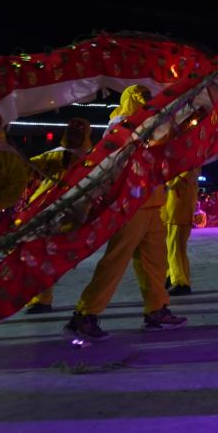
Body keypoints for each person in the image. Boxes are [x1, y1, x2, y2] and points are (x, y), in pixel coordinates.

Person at [64, 86, 186, 341]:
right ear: (131, 101)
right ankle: (85, 315)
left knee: (155, 263)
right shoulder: (122, 128)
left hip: (152, 202)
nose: (146, 101)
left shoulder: (146, 125)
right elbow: (153, 135)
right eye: (140, 98)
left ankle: (157, 310)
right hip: (130, 204)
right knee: (116, 261)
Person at [25, 118, 92, 313]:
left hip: (73, 213)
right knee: (40, 255)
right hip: (43, 211)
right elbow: (27, 169)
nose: (74, 135)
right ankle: (40, 299)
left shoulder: (91, 159)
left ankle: (42, 298)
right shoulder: (53, 156)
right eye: (71, 131)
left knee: (53, 256)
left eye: (79, 132)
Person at [164, 167, 201, 294]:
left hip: (179, 210)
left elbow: (176, 182)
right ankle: (171, 275)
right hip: (171, 210)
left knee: (176, 248)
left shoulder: (191, 163)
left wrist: (164, 175)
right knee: (171, 248)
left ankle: (181, 282)